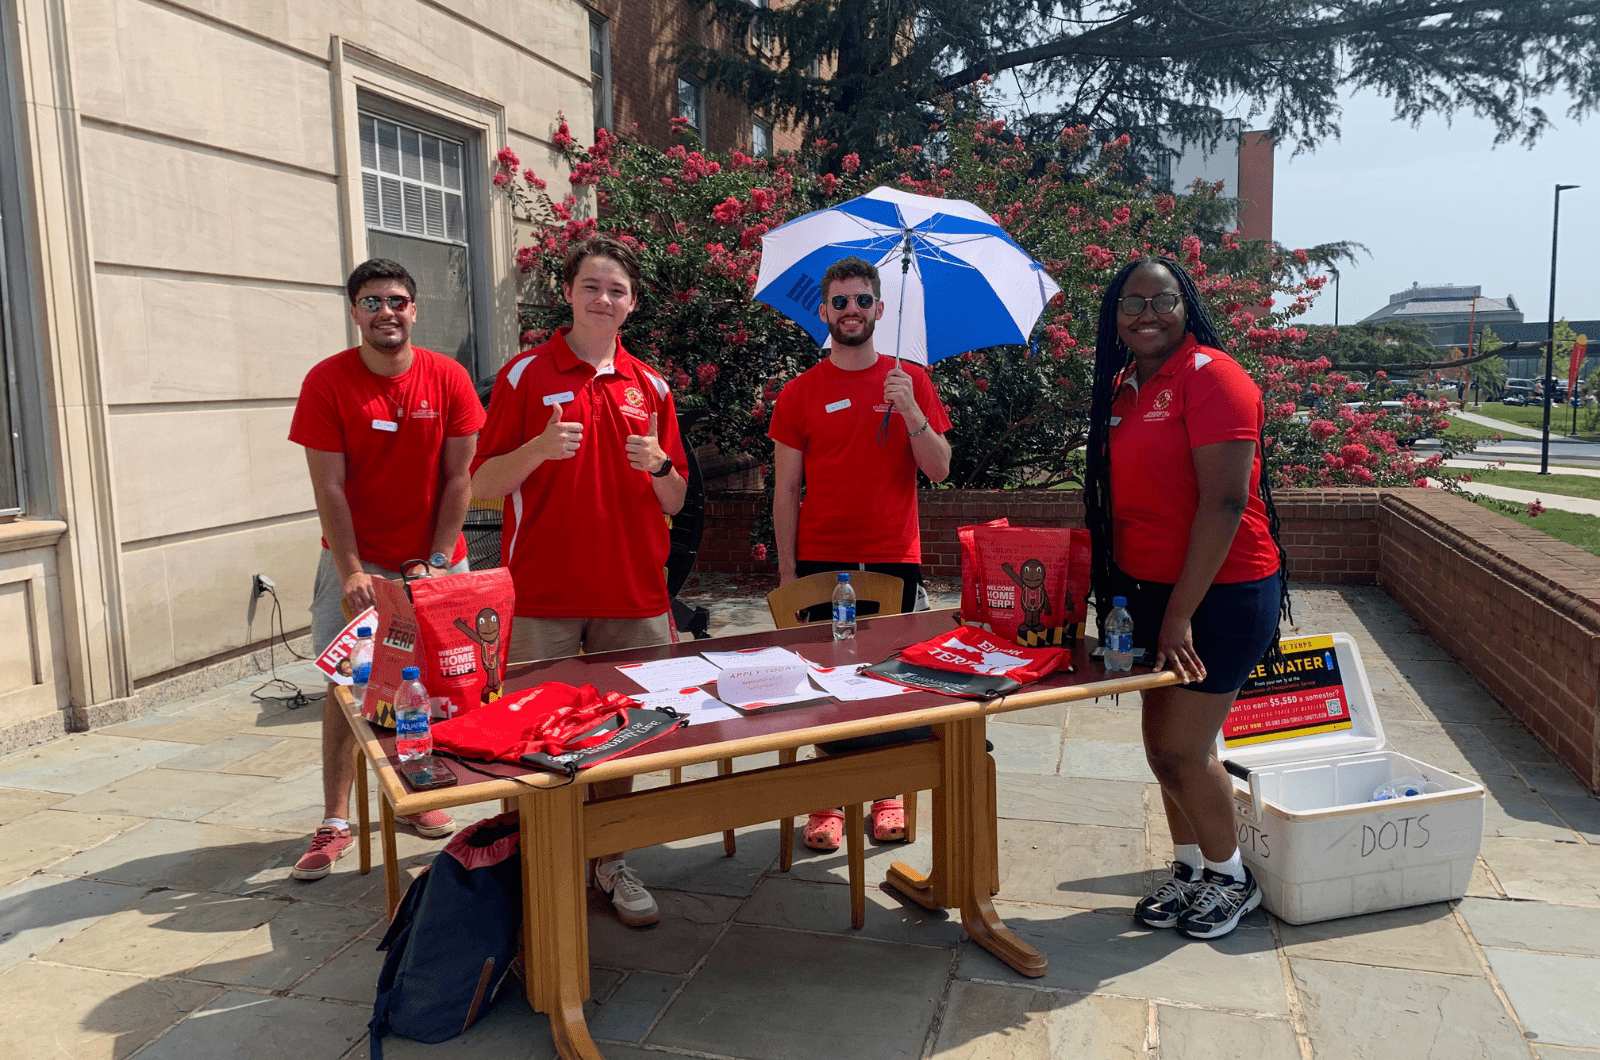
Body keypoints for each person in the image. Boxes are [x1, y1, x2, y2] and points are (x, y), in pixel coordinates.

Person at [471, 235, 687, 928]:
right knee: (534, 746)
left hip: (633, 595)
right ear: (567, 293)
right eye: (592, 286)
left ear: (632, 303)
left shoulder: (650, 386)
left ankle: (610, 860)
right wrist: (536, 449)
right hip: (542, 597)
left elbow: (677, 500)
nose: (604, 299)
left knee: (627, 739)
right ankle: (533, 863)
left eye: (617, 290)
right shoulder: (523, 377)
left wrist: (658, 465)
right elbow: (479, 486)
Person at [1083, 256, 1289, 940]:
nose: (1146, 314)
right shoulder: (1124, 386)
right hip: (1147, 594)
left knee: (1183, 750)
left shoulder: (1214, 377)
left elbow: (1227, 502)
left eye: (1161, 300)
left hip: (1220, 597)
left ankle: (1232, 879)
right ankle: (1191, 865)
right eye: (1131, 303)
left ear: (1187, 304)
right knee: (1161, 747)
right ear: (1114, 316)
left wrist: (1178, 616)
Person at [288, 259, 484, 880]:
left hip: (435, 558)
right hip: (358, 559)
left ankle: (418, 790)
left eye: (396, 300)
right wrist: (351, 571)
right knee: (348, 690)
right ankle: (336, 820)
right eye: (371, 302)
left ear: (414, 310)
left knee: (429, 682)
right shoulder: (327, 381)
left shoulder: (448, 378)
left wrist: (434, 561)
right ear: (355, 313)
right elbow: (330, 488)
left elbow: (460, 478)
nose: (385, 312)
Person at [768, 256, 953, 850]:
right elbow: (785, 491)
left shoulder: (912, 381)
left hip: (895, 558)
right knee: (825, 681)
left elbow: (941, 469)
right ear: (824, 313)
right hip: (823, 560)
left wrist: (911, 412)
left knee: (890, 682)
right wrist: (789, 573)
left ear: (879, 309)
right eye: (840, 302)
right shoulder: (800, 393)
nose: (852, 310)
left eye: (862, 300)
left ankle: (887, 794)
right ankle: (827, 800)